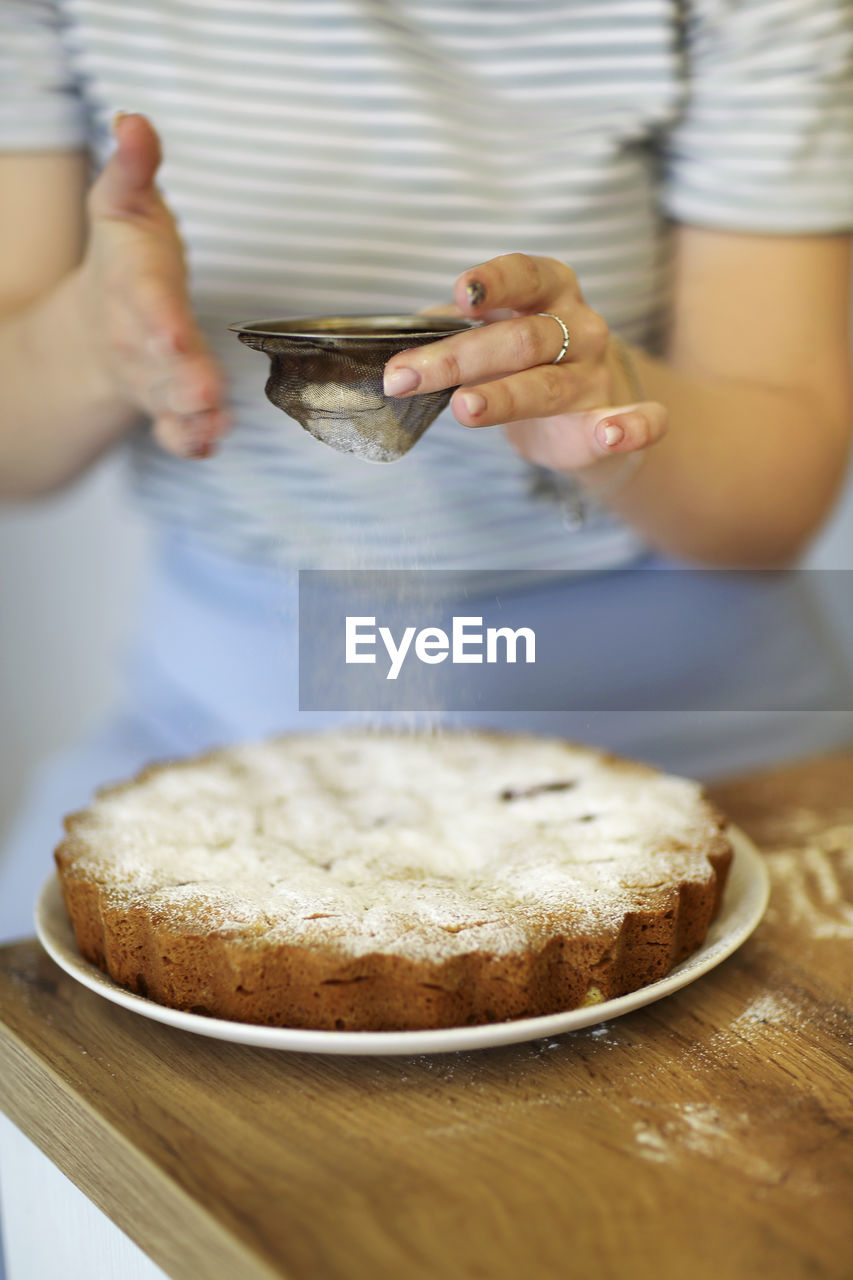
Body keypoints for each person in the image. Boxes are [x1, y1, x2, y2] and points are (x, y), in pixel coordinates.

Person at [1, 0, 852, 942]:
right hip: (222, 742)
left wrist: (601, 401)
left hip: (696, 739)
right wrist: (92, 342)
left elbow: (773, 506)